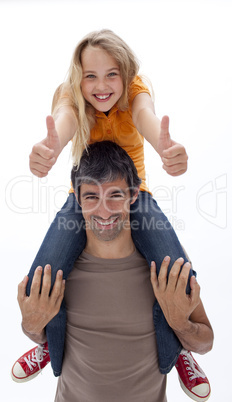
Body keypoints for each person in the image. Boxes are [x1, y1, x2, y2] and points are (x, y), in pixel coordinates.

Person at [11, 29, 209, 399]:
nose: (101, 85)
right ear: (79, 76)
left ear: (126, 72)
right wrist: (52, 148)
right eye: (91, 76)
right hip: (82, 195)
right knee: (46, 268)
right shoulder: (70, 94)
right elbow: (65, 120)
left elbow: (145, 115)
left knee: (175, 265)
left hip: (135, 195)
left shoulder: (136, 90)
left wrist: (163, 146)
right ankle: (48, 344)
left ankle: (180, 350)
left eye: (111, 74)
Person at [16, 142, 213, 402]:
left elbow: (205, 342)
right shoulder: (59, 269)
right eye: (91, 197)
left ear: (133, 195)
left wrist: (180, 324)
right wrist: (30, 326)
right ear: (76, 199)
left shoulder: (165, 267)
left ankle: (178, 356)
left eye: (115, 195)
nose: (104, 210)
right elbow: (37, 330)